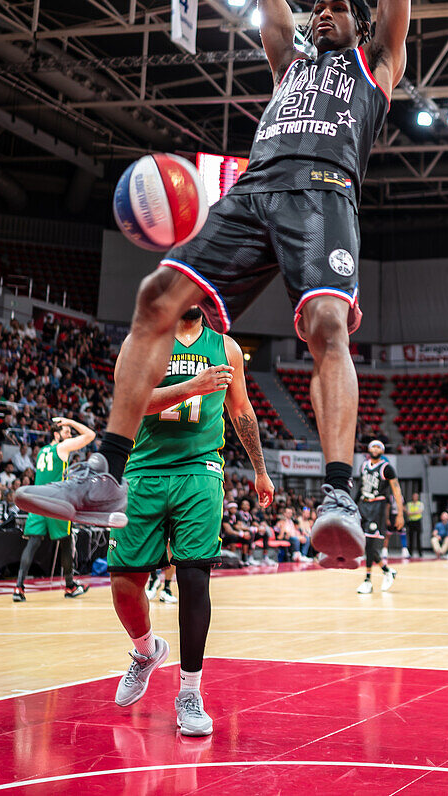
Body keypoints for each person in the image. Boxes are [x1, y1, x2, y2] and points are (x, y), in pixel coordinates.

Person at [15, 0, 412, 573]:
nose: (322, 15)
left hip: (323, 193)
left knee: (327, 324)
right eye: (318, 9)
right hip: (255, 189)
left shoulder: (374, 67)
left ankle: (337, 494)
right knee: (156, 296)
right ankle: (103, 469)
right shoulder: (290, 65)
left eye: (334, 10)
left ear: (358, 29)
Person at [106, 307, 274, 736]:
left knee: (194, 577)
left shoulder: (227, 348)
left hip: (201, 470)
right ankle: (146, 652)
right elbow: (130, 402)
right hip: (142, 471)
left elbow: (242, 412)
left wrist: (259, 468)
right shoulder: (141, 341)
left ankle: (190, 692)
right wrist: (193, 386)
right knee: (125, 583)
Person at [12, 417, 95, 602]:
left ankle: (18, 587)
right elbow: (91, 435)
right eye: (66, 431)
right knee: (66, 541)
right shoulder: (62, 448)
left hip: (37, 500)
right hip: (56, 501)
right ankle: (70, 585)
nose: (69, 434)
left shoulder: (42, 451)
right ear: (56, 434)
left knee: (32, 543)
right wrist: (71, 421)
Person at [356, 440, 404, 594]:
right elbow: (360, 488)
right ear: (369, 449)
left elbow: (397, 491)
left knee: (370, 542)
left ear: (382, 451)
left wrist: (400, 514)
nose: (375, 449)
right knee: (365, 544)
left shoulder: (386, 468)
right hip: (363, 505)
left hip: (377, 507)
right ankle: (387, 570)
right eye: (373, 446)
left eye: (378, 447)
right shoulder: (363, 466)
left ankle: (367, 581)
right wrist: (353, 506)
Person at [406, 491, 424, 557]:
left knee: (418, 537)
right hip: (411, 522)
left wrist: (412, 513)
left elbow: (420, 511)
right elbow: (407, 512)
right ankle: (410, 552)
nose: (415, 497)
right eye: (414, 496)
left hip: (417, 521)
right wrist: (413, 513)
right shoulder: (409, 504)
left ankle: (420, 552)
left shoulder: (420, 504)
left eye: (416, 496)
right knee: (410, 537)